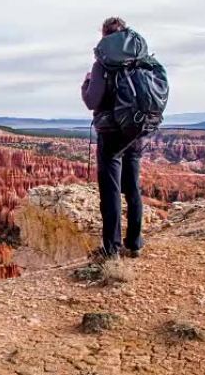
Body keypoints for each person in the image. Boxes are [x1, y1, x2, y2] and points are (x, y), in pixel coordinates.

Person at [81, 17, 145, 260]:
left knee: (111, 190)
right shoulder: (140, 61)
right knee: (133, 187)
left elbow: (92, 101)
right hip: (137, 131)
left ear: (105, 36)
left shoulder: (103, 64)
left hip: (111, 134)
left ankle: (111, 249)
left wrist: (86, 83)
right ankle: (135, 243)